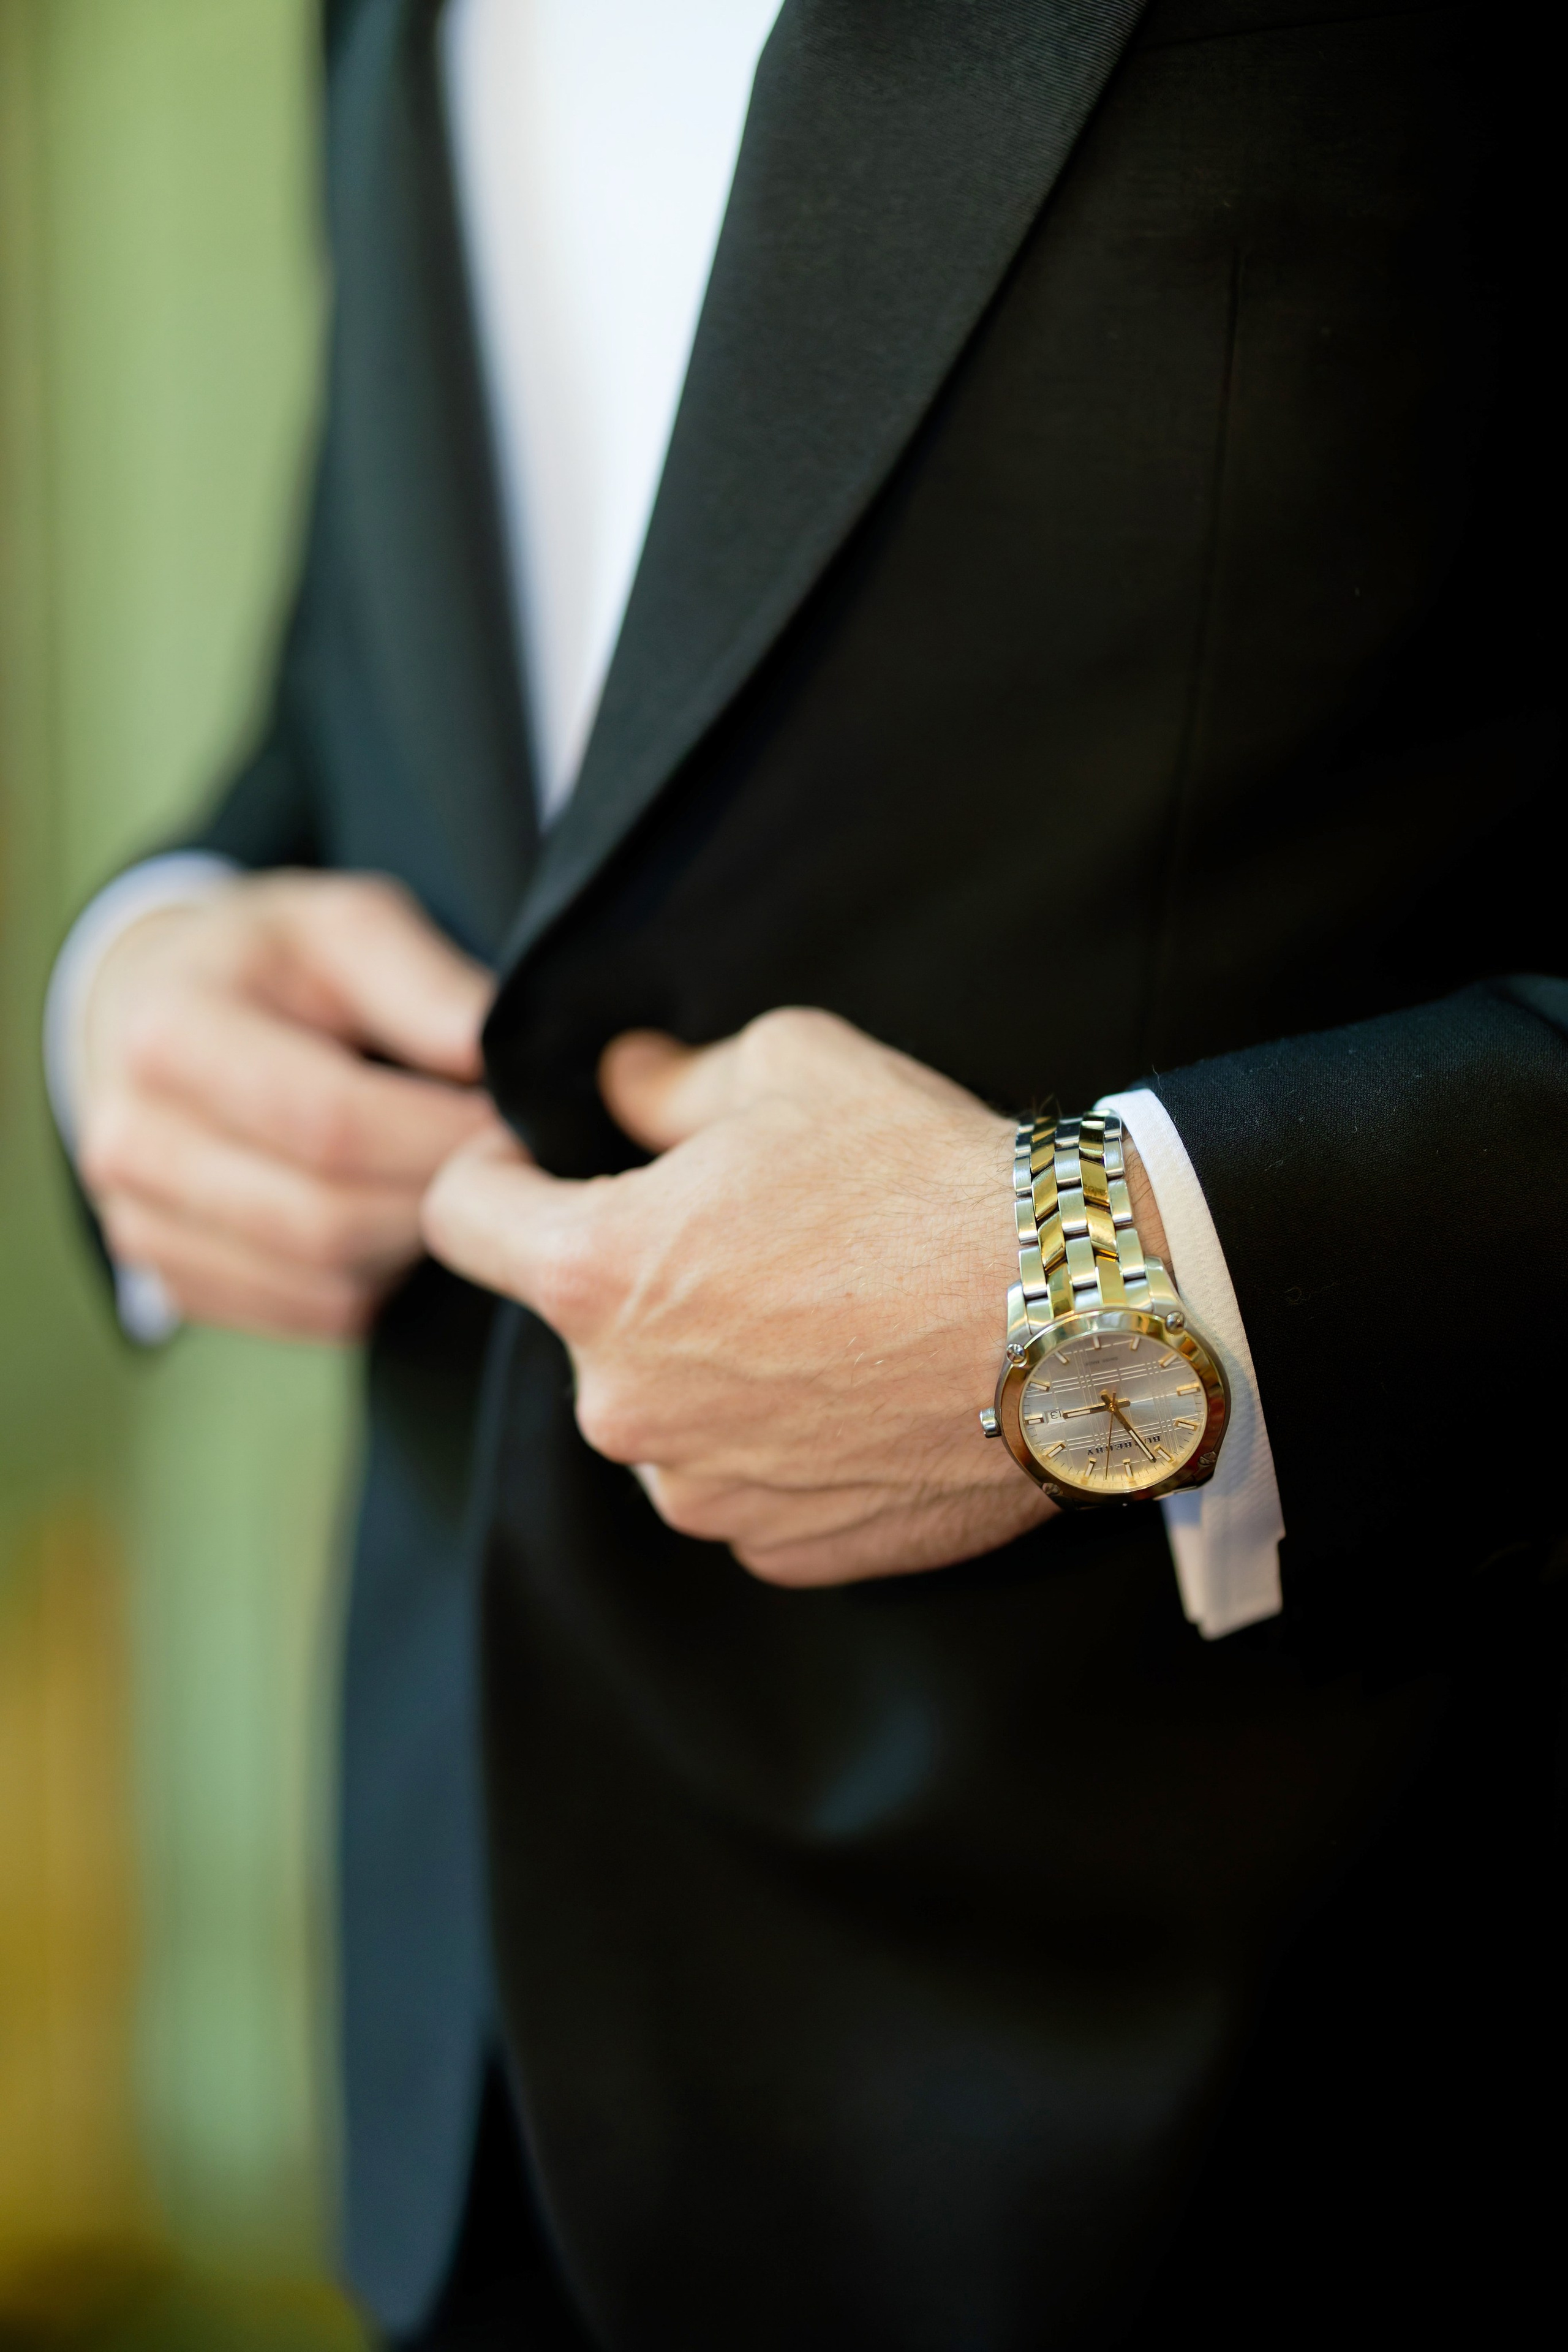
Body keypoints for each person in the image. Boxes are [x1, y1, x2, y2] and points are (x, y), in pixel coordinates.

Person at [48, 1, 1566, 2345]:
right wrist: (140, 972)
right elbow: (448, 708)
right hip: (472, 2085)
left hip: (1257, 2074)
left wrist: (1103, 1286)